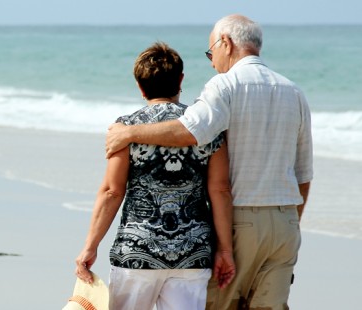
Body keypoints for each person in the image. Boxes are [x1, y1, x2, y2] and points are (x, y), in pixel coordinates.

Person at [104, 15, 313, 310]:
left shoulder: (224, 85)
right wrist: (292, 224)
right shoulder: (294, 91)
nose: (212, 61)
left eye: (210, 52)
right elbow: (303, 174)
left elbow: (190, 130)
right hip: (286, 223)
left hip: (241, 220)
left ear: (226, 43)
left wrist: (129, 132)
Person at [74, 42, 235, 310]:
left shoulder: (125, 129)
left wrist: (90, 247)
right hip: (191, 254)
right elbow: (220, 191)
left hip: (137, 253)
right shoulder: (207, 129)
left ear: (140, 86)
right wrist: (225, 251)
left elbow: (112, 191)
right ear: (181, 79)